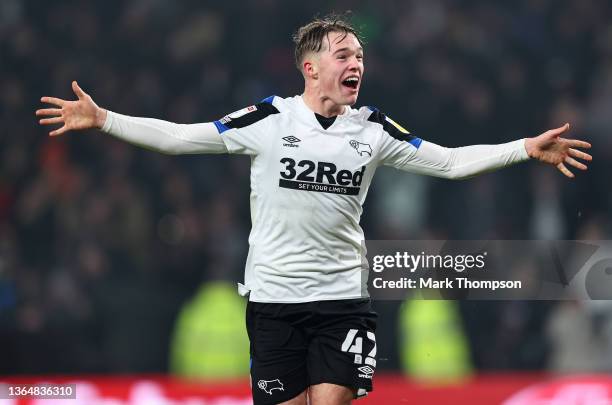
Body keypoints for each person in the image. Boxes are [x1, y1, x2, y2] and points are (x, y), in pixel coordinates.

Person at [36, 14, 591, 405]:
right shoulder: (268, 121)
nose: (356, 64)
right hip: (274, 300)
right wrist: (106, 118)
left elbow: (446, 162)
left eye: (361, 57)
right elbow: (184, 137)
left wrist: (523, 148)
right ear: (309, 67)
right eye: (344, 54)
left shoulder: (372, 129)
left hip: (342, 301)